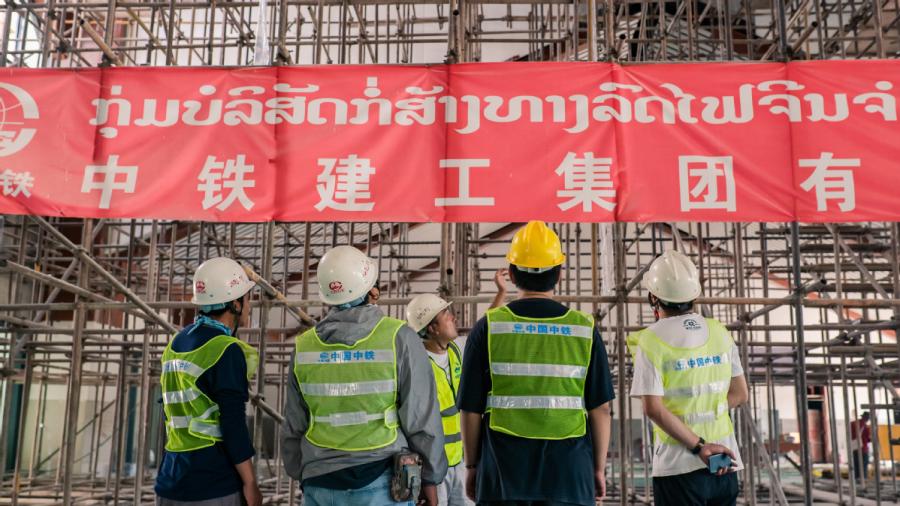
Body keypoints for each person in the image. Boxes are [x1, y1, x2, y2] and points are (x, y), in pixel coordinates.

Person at [458, 220, 615, 505]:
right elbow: (600, 409)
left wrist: (471, 466)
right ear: (559, 273)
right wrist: (598, 469)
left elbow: (470, 408)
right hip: (569, 471)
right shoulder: (583, 329)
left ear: (513, 274)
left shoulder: (489, 327)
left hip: (504, 472)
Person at [281, 245, 447, 506]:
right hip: (382, 480)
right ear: (373, 291)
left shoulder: (304, 346)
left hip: (319, 482)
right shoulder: (398, 338)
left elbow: (294, 422)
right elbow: (421, 418)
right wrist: (430, 478)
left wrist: (301, 471)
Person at [627, 250, 749, 506]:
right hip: (725, 463)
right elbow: (740, 394)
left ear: (653, 297)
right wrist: (708, 411)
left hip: (678, 465)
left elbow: (653, 409)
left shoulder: (650, 339)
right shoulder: (719, 332)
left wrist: (699, 446)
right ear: (694, 295)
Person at [155, 257, 262, 506]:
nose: (249, 307)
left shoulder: (175, 344)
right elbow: (232, 423)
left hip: (170, 479)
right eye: (247, 300)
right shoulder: (225, 349)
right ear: (235, 304)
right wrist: (250, 483)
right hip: (211, 483)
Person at [407, 293, 466, 505]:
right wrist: (426, 479)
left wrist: (501, 294)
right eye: (446, 314)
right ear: (433, 328)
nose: (454, 317)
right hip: (432, 468)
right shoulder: (416, 365)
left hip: (460, 461)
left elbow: (486, 331)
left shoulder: (455, 352)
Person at [850, 412, 871, 483]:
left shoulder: (852, 424)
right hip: (863, 449)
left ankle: (856, 480)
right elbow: (868, 439)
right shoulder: (865, 426)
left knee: (856, 465)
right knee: (863, 465)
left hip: (855, 448)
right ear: (867, 418)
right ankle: (863, 480)